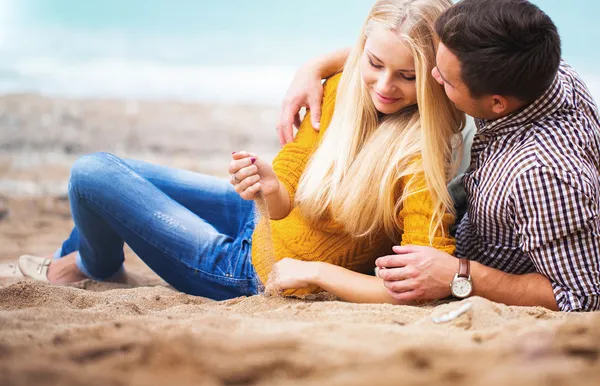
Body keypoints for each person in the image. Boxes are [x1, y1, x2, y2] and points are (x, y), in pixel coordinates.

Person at [8, 0, 466, 304]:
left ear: (433, 76)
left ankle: (90, 265)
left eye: (407, 76)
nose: (384, 87)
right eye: (374, 64)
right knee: (113, 171)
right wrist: (269, 184)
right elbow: (284, 194)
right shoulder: (341, 88)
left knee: (92, 174)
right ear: (360, 52)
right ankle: (82, 260)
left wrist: (319, 274)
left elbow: (418, 284)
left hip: (246, 270)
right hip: (263, 220)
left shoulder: (416, 159)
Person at [279, 0, 600, 311]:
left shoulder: (542, 175)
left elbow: (584, 295)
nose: (431, 79)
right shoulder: (534, 70)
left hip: (469, 263)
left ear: (496, 103)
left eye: (443, 79)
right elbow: (404, 48)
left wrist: (460, 274)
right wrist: (315, 66)